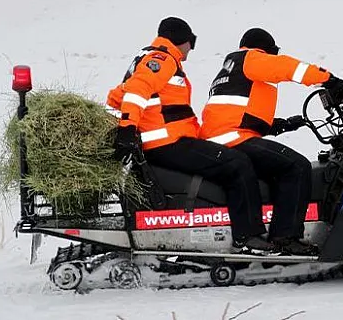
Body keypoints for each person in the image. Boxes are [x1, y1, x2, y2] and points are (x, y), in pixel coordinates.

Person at [106, 17, 274, 255]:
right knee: (237, 163)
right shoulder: (161, 58)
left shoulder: (145, 58)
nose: (191, 49)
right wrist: (127, 129)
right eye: (191, 42)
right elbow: (136, 91)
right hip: (166, 143)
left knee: (226, 160)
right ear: (181, 39)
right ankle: (249, 235)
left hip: (164, 140)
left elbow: (116, 95)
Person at [199, 27, 343, 255]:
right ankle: (285, 237)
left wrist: (279, 125)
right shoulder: (251, 57)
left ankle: (277, 227)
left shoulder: (232, 67)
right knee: (296, 166)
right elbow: (288, 68)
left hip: (223, 134)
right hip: (231, 137)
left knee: (279, 166)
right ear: (266, 49)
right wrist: (329, 80)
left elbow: (237, 111)